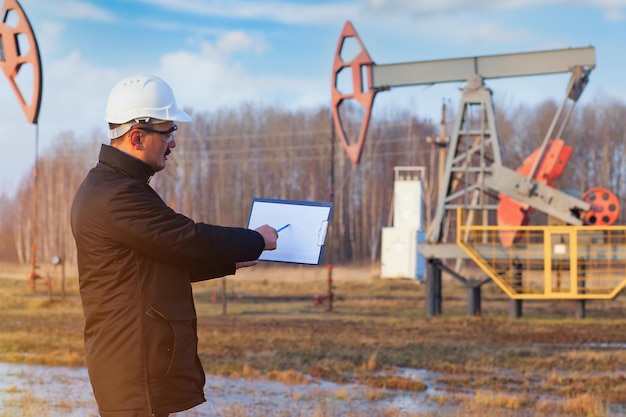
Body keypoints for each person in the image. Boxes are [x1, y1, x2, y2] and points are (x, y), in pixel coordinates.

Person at [70, 74, 278, 417]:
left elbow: (155, 262)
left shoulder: (112, 187)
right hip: (134, 370)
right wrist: (256, 240)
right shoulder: (118, 195)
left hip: (132, 366)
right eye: (168, 133)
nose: (173, 144)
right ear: (137, 136)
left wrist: (228, 261)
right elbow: (186, 238)